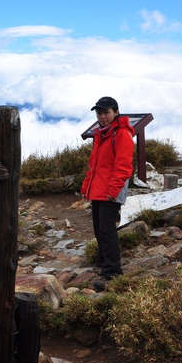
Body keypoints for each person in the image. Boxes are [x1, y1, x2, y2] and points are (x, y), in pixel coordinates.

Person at [81, 96, 134, 291]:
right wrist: (86, 186)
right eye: (99, 113)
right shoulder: (101, 134)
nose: (102, 116)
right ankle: (104, 263)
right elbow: (94, 165)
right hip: (98, 189)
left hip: (111, 190)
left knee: (107, 229)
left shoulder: (121, 134)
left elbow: (123, 166)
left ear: (116, 112)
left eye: (106, 112)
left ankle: (112, 272)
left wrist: (113, 190)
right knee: (99, 228)